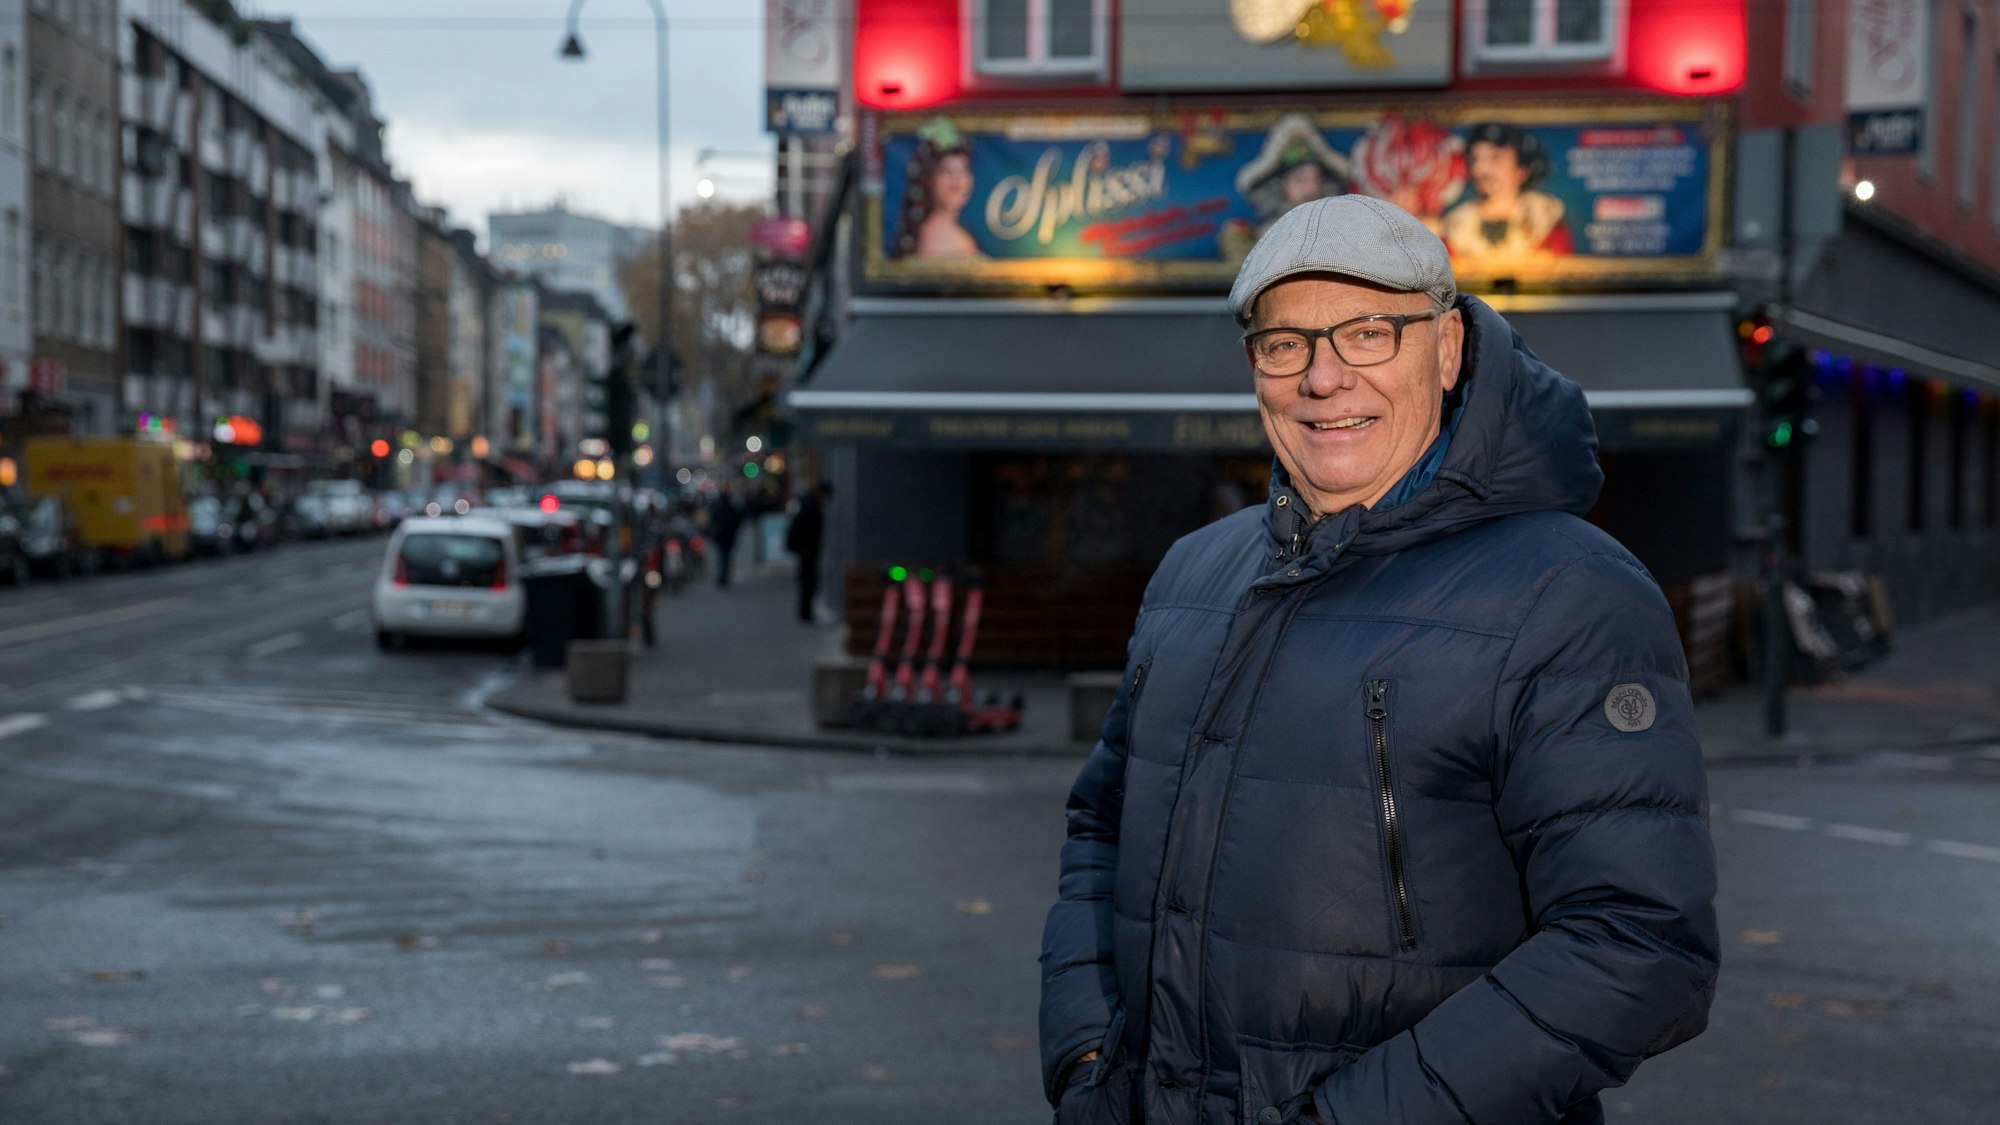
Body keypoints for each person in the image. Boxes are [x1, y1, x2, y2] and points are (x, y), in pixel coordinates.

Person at [1038, 196, 1717, 1125]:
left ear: (1447, 349)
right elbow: (1099, 829)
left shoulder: (1570, 594)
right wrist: (1087, 1058)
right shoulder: (1192, 573)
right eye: (1285, 344)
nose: (1323, 378)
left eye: (1367, 333)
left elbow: (1638, 943)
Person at [1441, 121, 1575, 260]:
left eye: (1495, 158)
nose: (1480, 169)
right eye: (1475, 159)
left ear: (1521, 170)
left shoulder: (1544, 219)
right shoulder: (1455, 227)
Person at [893, 117, 982, 260]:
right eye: (946, 171)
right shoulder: (940, 236)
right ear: (929, 180)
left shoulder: (951, 231)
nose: (957, 179)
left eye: (963, 170)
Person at [784, 482, 830, 623]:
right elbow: (804, 528)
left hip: (806, 550)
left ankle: (805, 612)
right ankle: (805, 613)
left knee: (807, 582)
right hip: (807, 551)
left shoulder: (808, 503)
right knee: (808, 582)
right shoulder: (811, 506)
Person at [708, 486, 744, 588]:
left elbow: (712, 521)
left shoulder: (717, 508)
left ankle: (722, 576)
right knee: (726, 557)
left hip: (721, 537)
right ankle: (724, 576)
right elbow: (737, 521)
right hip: (728, 537)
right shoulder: (731, 508)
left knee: (721, 557)